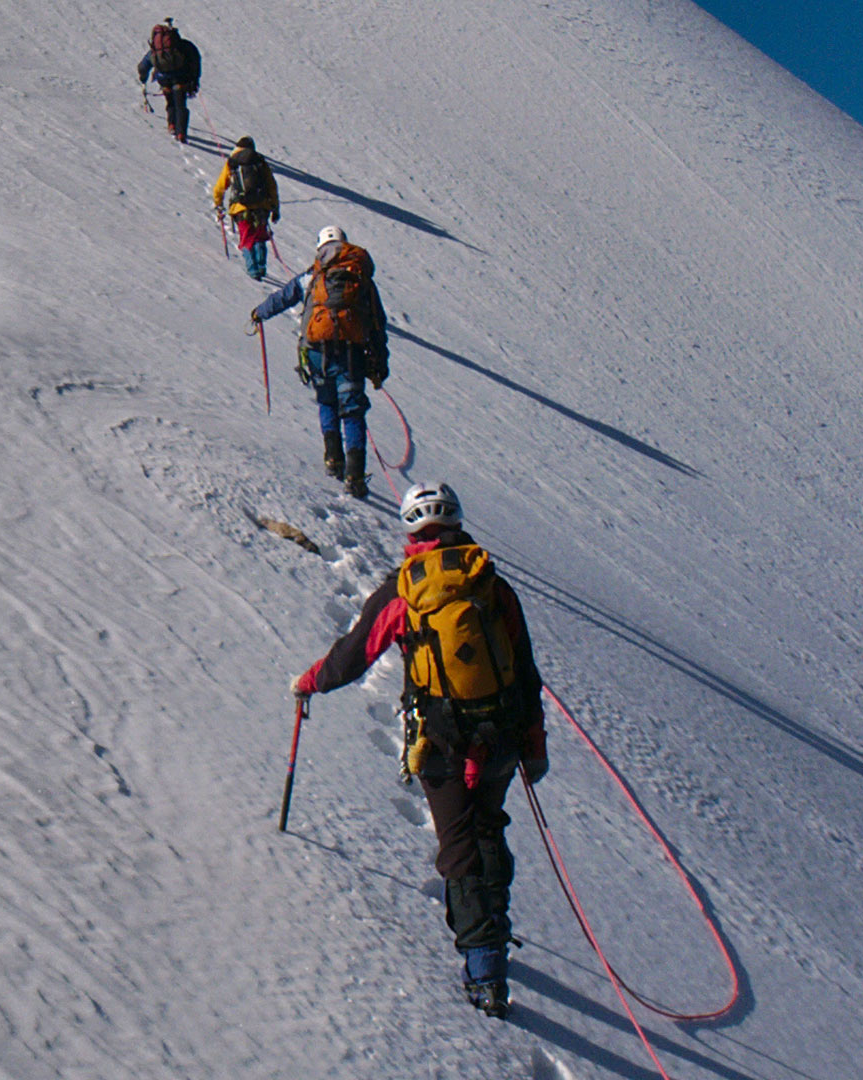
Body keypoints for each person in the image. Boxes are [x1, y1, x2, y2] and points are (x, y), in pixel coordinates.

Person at [287, 483, 548, 1017]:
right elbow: (524, 671)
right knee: (487, 824)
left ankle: (484, 968)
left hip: (442, 741)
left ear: (411, 533)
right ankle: (489, 927)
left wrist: (309, 683)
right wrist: (534, 743)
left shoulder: (405, 591)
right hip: (500, 734)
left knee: (458, 846)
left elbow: (354, 656)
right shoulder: (492, 585)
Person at [250, 225, 389, 496]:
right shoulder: (362, 279)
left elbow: (285, 296)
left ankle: (333, 459)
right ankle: (355, 476)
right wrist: (380, 364)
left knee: (326, 400)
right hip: (350, 353)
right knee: (352, 410)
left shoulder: (314, 275)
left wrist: (259, 313)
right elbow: (376, 323)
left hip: (315, 350)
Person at [212, 136, 279, 280]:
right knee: (260, 237)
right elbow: (272, 185)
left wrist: (218, 204)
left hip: (240, 208)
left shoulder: (233, 162)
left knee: (247, 237)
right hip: (262, 206)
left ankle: (252, 269)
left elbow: (219, 187)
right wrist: (275, 207)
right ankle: (261, 267)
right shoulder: (260, 161)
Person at [137, 20, 201, 143]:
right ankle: (181, 133)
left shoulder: (156, 50)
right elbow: (195, 59)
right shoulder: (184, 46)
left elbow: (143, 66)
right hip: (182, 78)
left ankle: (171, 125)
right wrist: (194, 79)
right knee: (180, 105)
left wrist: (143, 78)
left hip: (164, 79)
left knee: (170, 101)